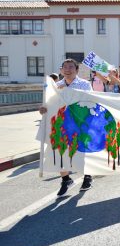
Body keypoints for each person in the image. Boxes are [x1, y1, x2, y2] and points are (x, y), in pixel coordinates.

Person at [39, 59, 94, 196]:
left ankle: (87, 176)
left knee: (81, 152)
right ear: (61, 70)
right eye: (65, 67)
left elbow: (90, 101)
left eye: (71, 67)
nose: (68, 69)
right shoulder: (55, 86)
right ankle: (66, 179)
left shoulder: (84, 84)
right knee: (59, 151)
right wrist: (43, 109)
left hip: (79, 122)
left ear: (76, 70)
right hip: (61, 123)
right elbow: (48, 104)